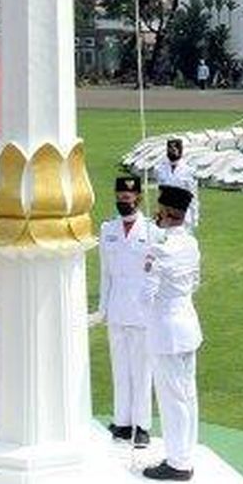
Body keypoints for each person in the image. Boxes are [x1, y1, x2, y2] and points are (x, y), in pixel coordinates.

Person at [141, 185, 202, 482]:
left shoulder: (160, 250)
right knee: (187, 393)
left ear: (164, 212)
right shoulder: (190, 243)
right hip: (188, 324)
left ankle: (178, 463)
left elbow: (145, 295)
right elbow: (196, 282)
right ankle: (185, 452)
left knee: (171, 398)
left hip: (166, 331)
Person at [94, 176, 155, 448]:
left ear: (138, 198)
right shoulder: (108, 228)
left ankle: (142, 426)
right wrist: (102, 309)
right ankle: (122, 422)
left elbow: (155, 274)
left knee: (141, 371)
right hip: (117, 309)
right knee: (120, 368)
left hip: (142, 312)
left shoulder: (151, 230)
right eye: (119, 198)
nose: (123, 202)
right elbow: (105, 274)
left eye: (128, 198)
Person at [153, 138, 200, 230]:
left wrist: (195, 218)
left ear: (180, 150)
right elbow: (159, 193)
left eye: (175, 150)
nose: (172, 152)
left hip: (183, 215)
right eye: (170, 149)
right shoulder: (159, 169)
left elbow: (193, 196)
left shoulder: (189, 170)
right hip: (165, 214)